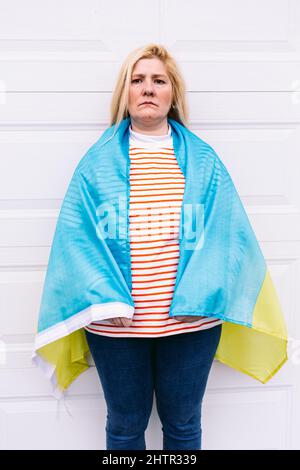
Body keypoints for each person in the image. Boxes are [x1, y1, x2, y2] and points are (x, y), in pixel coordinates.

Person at [83, 43, 223, 450]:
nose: (147, 88)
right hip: (116, 324)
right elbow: (80, 241)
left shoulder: (203, 160)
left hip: (190, 322)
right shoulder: (96, 162)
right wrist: (106, 300)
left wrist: (202, 293)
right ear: (124, 92)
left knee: (182, 425)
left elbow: (224, 236)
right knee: (126, 426)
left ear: (171, 93)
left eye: (158, 80)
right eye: (137, 79)